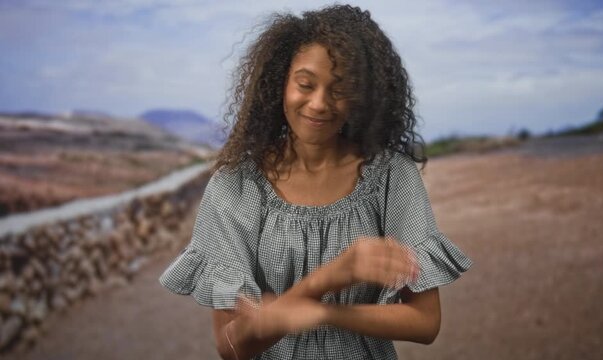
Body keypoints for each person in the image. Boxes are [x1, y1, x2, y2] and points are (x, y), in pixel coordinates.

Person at [159, 5, 472, 360]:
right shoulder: (235, 187)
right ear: (280, 82)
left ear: (363, 96)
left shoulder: (391, 177)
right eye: (305, 84)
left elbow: (426, 321)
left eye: (339, 89)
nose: (319, 103)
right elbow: (231, 346)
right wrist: (328, 278)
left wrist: (326, 312)